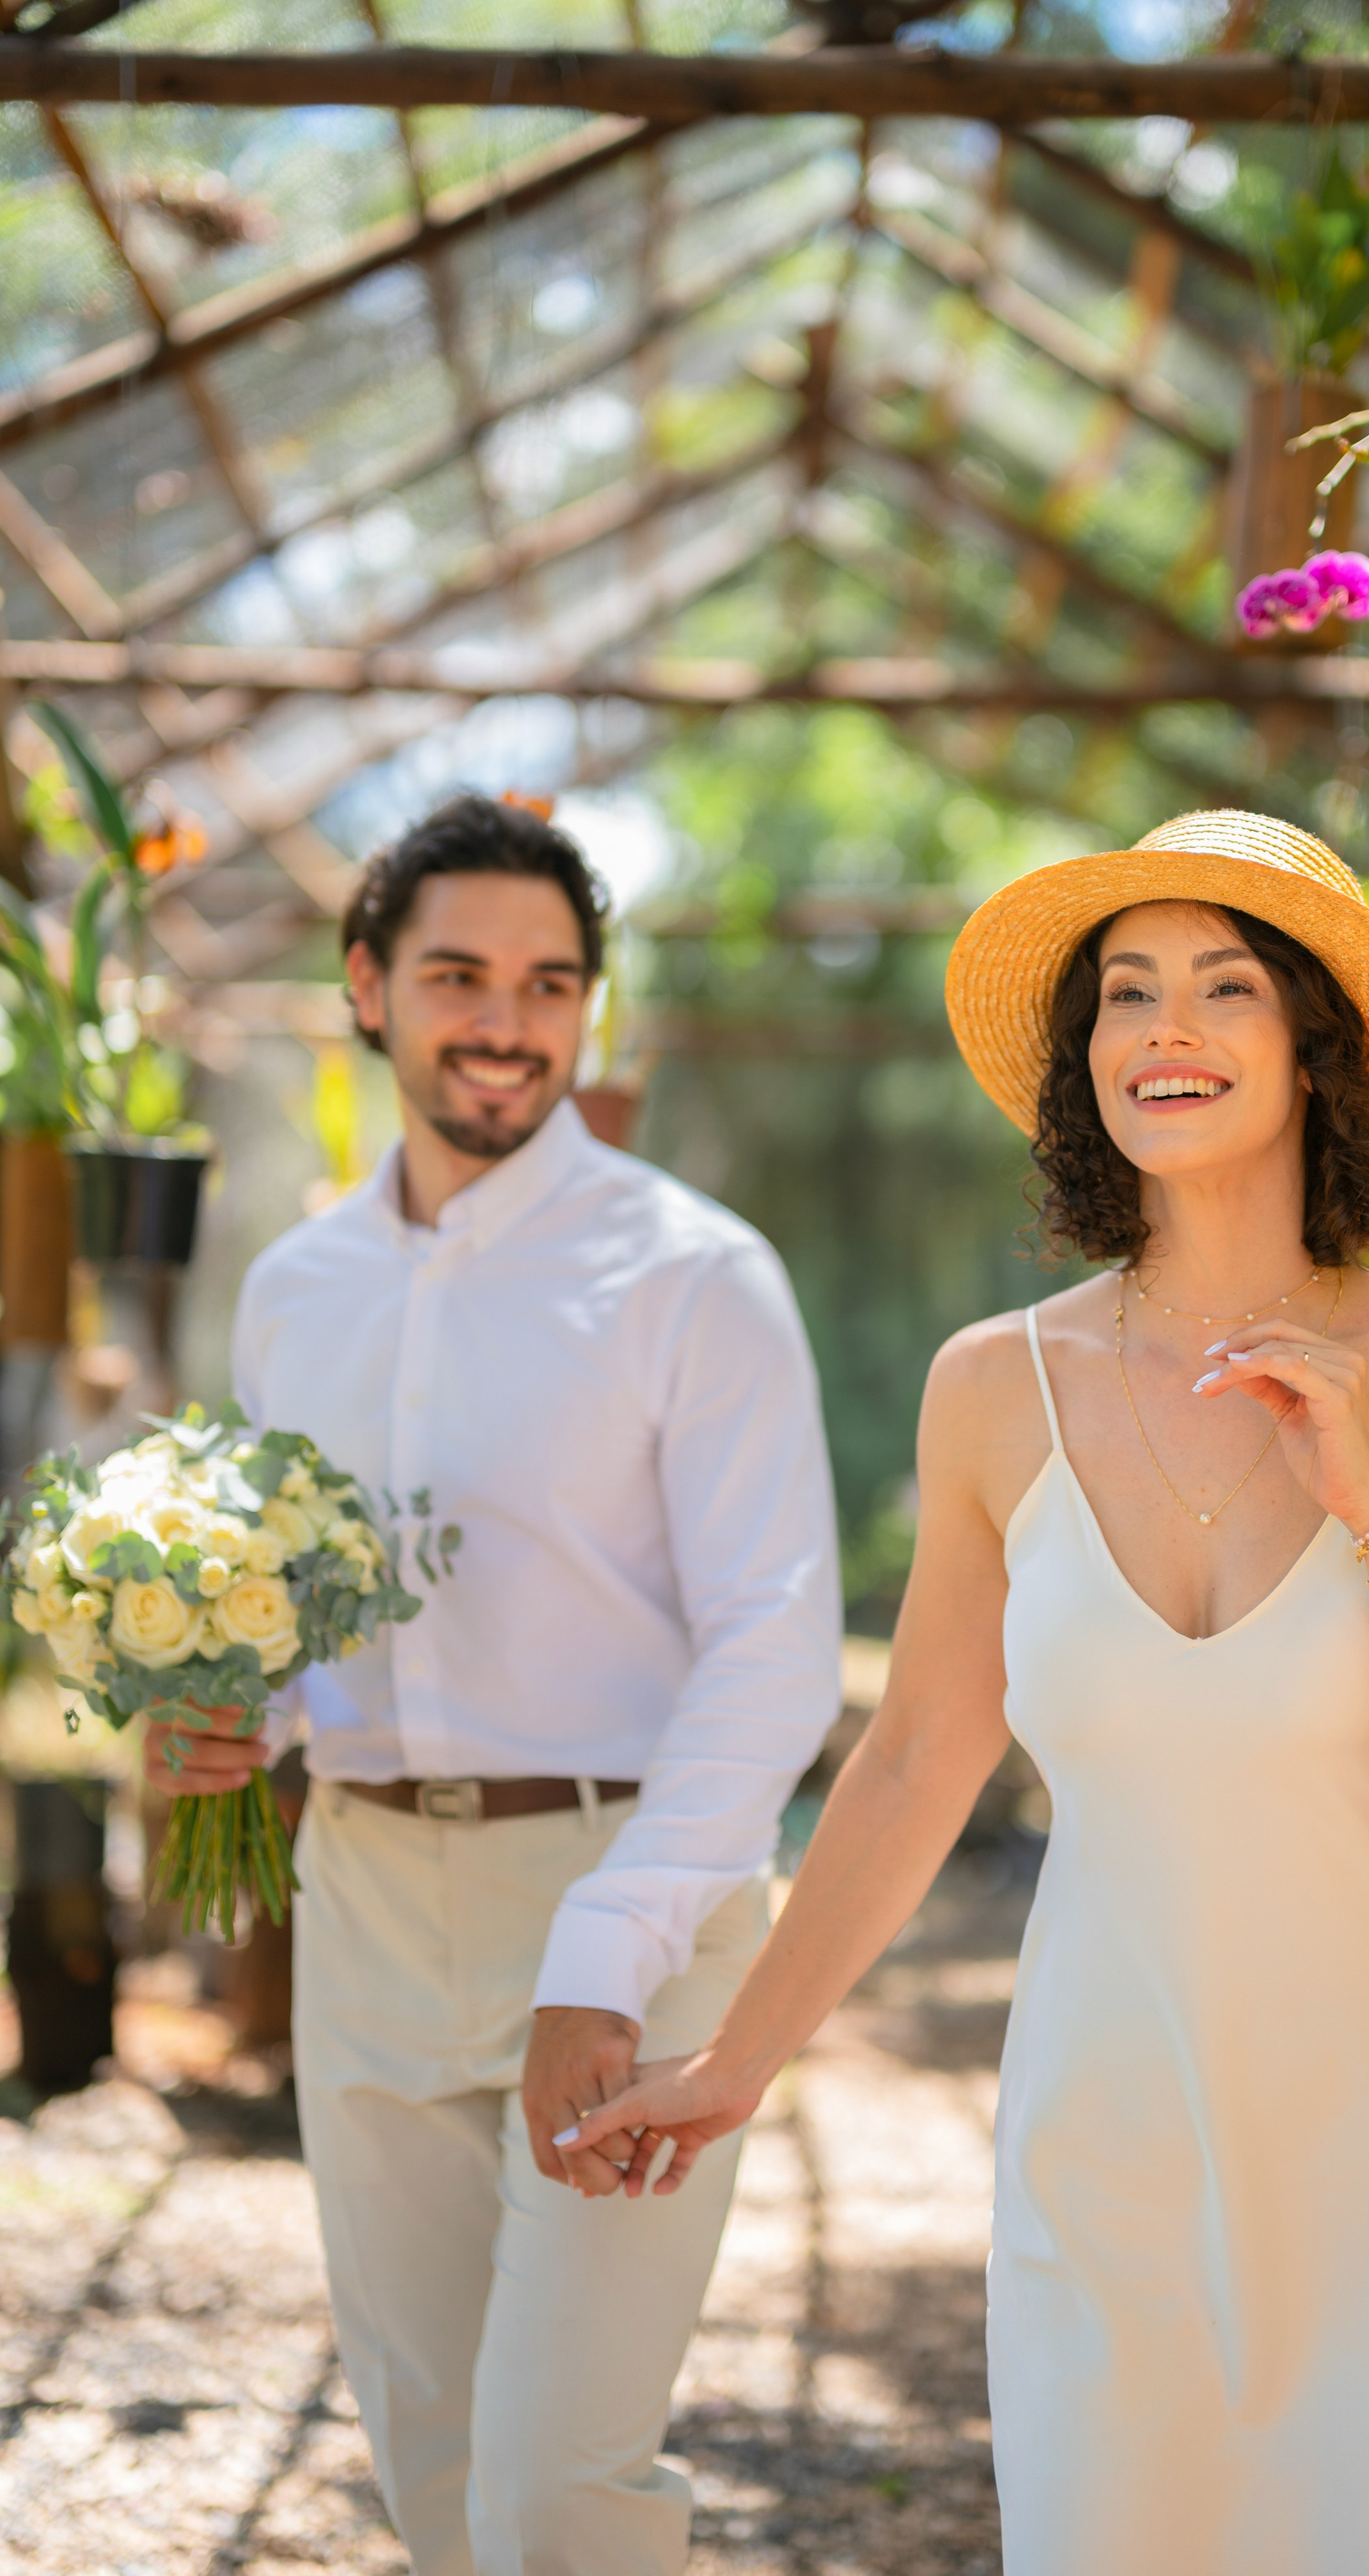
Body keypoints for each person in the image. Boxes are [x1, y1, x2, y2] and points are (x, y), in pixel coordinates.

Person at [563, 807, 1369, 2575]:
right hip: (1106, 2133)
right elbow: (913, 1761)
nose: (1163, 1027)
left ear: (1314, 1050)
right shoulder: (993, 1390)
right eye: (1124, 992)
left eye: (1224, 986)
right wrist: (730, 2064)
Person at [142, 793, 842, 2576]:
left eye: (548, 982)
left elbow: (772, 1644)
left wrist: (607, 1957)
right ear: (367, 988)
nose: (506, 1021)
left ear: (586, 1010)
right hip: (366, 1901)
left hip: (625, 1898)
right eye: (457, 973)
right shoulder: (298, 1290)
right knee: (437, 2479)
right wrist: (233, 1716)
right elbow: (298, 1607)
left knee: (560, 2493)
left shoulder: (696, 1278)